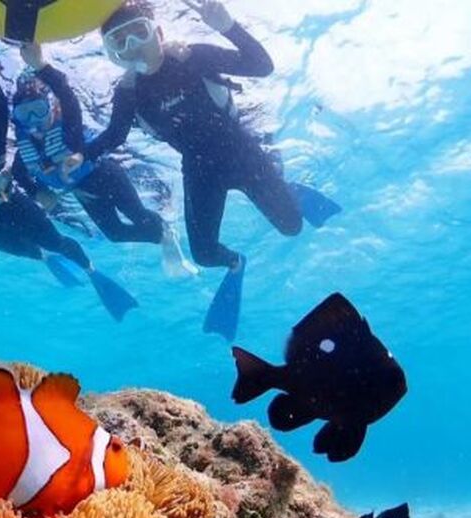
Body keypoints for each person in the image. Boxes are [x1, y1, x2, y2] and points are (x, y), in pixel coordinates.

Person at [91, 0, 340, 339]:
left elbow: (261, 66)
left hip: (242, 153)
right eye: (120, 42)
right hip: (199, 170)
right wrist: (77, 156)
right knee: (205, 255)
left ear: (159, 33)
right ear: (113, 54)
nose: (133, 45)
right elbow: (114, 136)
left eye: (140, 33)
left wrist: (228, 26)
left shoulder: (193, 56)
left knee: (292, 226)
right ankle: (236, 263)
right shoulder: (128, 94)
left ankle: (285, 184)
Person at [0, 25, 138, 322]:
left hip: (11, 204)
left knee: (56, 242)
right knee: (20, 249)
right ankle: (44, 259)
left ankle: (91, 272)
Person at [11, 43, 197, 279]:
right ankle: (162, 236)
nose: (32, 120)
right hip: (82, 191)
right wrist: (37, 192)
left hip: (106, 175)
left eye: (38, 110)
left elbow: (66, 95)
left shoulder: (68, 128)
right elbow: (18, 173)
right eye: (23, 114)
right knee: (115, 234)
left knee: (138, 215)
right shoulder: (24, 149)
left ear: (51, 107)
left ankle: (166, 232)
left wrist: (41, 66)